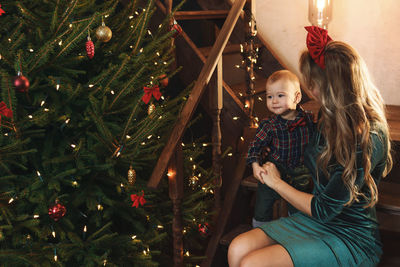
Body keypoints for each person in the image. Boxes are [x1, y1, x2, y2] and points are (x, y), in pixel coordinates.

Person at [228, 26, 392, 267]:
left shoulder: (369, 134)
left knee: (253, 263)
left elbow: (325, 209)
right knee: (237, 248)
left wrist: (276, 183)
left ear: (332, 87)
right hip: (313, 219)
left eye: (312, 84)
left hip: (350, 235)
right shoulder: (327, 115)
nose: (308, 90)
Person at [247, 70, 313, 228]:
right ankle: (261, 228)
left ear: (297, 97)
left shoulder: (308, 120)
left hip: (300, 170)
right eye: (270, 96)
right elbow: (255, 146)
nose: (274, 101)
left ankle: (297, 232)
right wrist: (255, 165)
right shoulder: (269, 125)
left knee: (298, 207)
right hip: (276, 168)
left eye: (280, 95)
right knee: (263, 202)